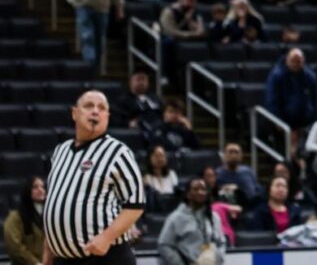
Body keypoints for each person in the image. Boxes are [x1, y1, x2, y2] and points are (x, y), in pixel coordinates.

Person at [43, 90, 146, 265]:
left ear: (107, 116)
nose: (95, 111)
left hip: (105, 258)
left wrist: (106, 237)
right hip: (63, 259)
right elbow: (55, 205)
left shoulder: (118, 152)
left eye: (102, 108)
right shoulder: (60, 151)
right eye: (89, 106)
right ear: (75, 113)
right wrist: (47, 258)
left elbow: (135, 205)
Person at [158, 177, 227, 265]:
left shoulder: (214, 217)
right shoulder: (176, 218)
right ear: (188, 194)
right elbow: (164, 245)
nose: (200, 192)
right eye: (196, 189)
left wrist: (218, 259)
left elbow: (221, 243)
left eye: (203, 189)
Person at [264, 49, 317, 138]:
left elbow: (315, 100)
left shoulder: (310, 77)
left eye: (298, 61)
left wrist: (314, 120)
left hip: (304, 122)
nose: (295, 64)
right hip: (283, 121)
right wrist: (278, 120)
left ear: (303, 61)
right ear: (287, 60)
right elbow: (272, 100)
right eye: (292, 61)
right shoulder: (277, 75)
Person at [3, 176, 45, 265]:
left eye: (42, 187)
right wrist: (36, 263)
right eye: (35, 187)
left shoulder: (48, 215)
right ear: (27, 191)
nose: (41, 190)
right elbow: (14, 247)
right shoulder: (15, 218)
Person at [215, 143, 264, 208]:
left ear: (241, 156)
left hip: (250, 207)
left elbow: (258, 190)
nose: (234, 155)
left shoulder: (248, 171)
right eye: (230, 152)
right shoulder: (217, 173)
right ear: (224, 155)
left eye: (236, 152)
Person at [201, 167, 240, 247]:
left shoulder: (222, 196)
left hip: (224, 234)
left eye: (214, 176)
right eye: (208, 176)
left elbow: (235, 212)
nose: (212, 179)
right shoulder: (200, 201)